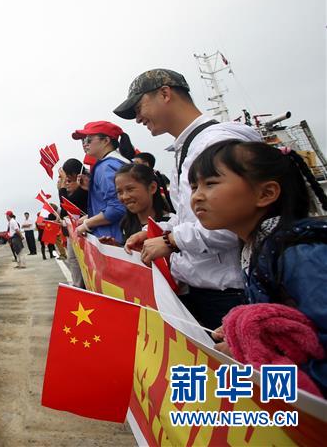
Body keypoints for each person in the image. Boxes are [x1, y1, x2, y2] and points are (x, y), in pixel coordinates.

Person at [114, 68, 261, 330]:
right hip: (205, 291)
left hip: (229, 295)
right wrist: (156, 233)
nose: (137, 118)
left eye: (139, 107)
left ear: (165, 93)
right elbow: (192, 218)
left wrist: (170, 241)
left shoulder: (215, 143)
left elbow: (232, 223)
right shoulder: (190, 147)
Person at [186, 140, 327, 391]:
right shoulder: (257, 247)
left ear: (266, 194)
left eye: (211, 183)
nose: (197, 196)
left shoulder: (301, 255)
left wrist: (251, 354)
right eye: (194, 186)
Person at [72, 121, 134, 243]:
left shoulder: (106, 167)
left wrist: (87, 224)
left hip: (113, 240)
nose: (85, 144)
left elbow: (117, 208)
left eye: (89, 139)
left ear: (106, 140)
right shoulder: (118, 162)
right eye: (82, 141)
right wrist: (92, 188)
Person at [109, 164, 171, 244]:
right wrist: (115, 247)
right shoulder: (126, 223)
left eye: (130, 189)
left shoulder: (170, 224)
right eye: (119, 192)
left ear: (152, 188)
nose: (124, 197)